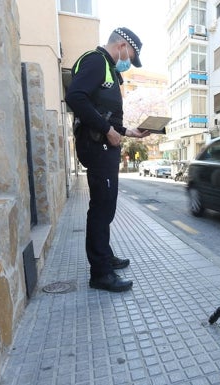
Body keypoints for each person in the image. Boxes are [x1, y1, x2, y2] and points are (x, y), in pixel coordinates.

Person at [65, 27, 150, 292]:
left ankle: (105, 256)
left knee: (106, 206)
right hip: (96, 144)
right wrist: (107, 130)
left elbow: (107, 115)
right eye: (131, 56)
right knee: (102, 208)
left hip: (102, 144)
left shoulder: (109, 71)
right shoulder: (96, 61)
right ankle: (100, 273)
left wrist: (128, 131)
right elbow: (75, 97)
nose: (129, 62)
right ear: (122, 45)